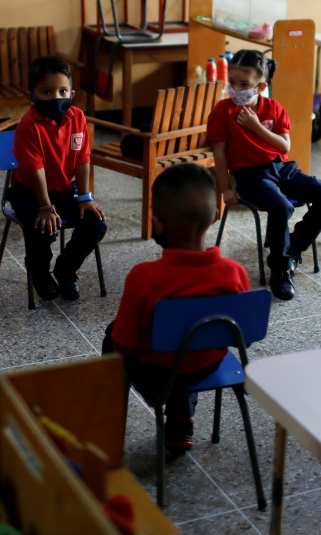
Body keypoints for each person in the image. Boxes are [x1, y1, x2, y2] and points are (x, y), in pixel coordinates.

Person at [102, 164, 251, 455]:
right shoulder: (234, 273)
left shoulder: (143, 277)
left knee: (112, 334)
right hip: (210, 364)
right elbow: (244, 336)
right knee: (190, 336)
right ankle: (181, 413)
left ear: (157, 224)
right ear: (215, 217)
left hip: (158, 374)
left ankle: (108, 417)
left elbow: (124, 346)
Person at [208, 49, 321, 301]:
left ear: (261, 86)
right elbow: (220, 153)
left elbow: (284, 147)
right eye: (232, 83)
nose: (236, 89)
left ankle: (291, 250)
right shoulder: (223, 110)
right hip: (250, 176)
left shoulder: (273, 107)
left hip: (282, 168)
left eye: (244, 84)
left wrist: (256, 126)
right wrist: (226, 189)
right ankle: (280, 269)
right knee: (281, 207)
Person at [8, 55, 107, 301]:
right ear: (32, 95)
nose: (56, 97)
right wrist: (45, 206)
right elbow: (35, 169)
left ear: (72, 92)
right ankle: (39, 271)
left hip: (64, 189)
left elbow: (83, 159)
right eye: (47, 91)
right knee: (43, 227)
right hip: (31, 192)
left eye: (63, 90)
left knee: (96, 223)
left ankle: (66, 270)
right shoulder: (28, 125)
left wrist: (85, 197)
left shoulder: (78, 117)